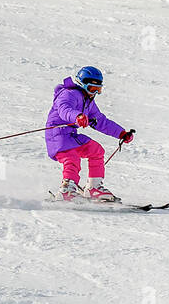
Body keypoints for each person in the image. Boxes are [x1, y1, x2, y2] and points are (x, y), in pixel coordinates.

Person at [45, 66, 134, 202]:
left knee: (96, 150)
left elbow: (100, 121)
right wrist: (77, 116)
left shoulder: (88, 101)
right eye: (92, 89)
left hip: (71, 135)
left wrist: (121, 133)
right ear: (82, 84)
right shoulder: (69, 94)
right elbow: (64, 109)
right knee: (72, 158)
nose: (95, 93)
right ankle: (67, 190)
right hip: (57, 134)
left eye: (98, 90)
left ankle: (94, 188)